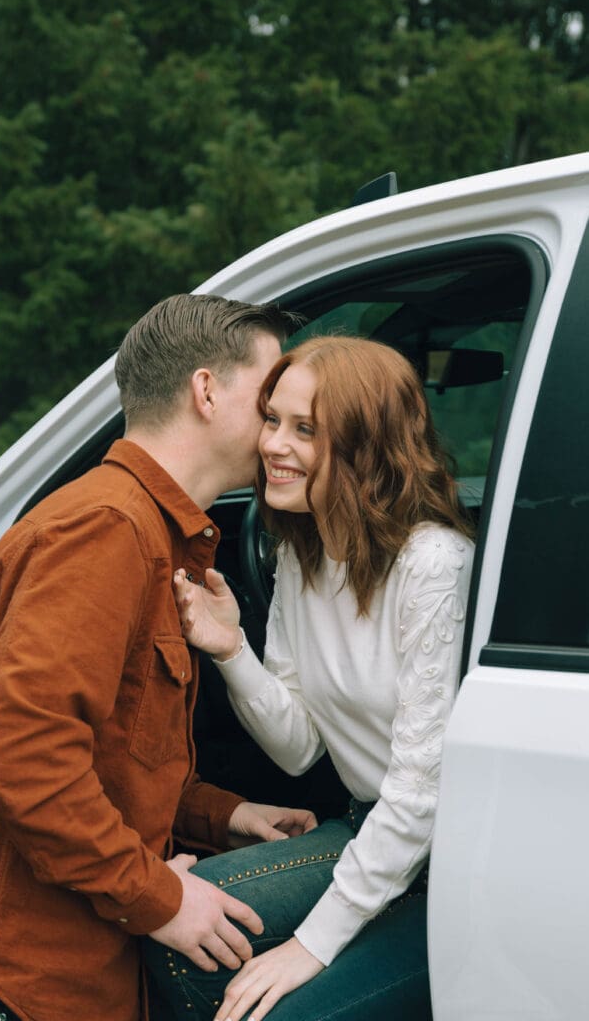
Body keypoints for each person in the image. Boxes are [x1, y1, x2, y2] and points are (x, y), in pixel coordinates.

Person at [0, 294, 318, 1021]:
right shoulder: (105, 528)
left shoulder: (145, 530)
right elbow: (24, 758)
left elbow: (108, 755)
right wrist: (161, 900)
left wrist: (225, 817)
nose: (277, 427)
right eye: (267, 400)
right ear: (205, 390)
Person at [145, 335, 475, 1021]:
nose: (272, 446)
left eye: (305, 430)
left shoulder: (433, 564)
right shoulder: (303, 554)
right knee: (186, 929)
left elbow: (421, 794)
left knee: (280, 1009)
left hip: (458, 864)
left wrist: (311, 947)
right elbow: (298, 748)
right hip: (366, 833)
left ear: (364, 447)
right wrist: (230, 648)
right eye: (272, 420)